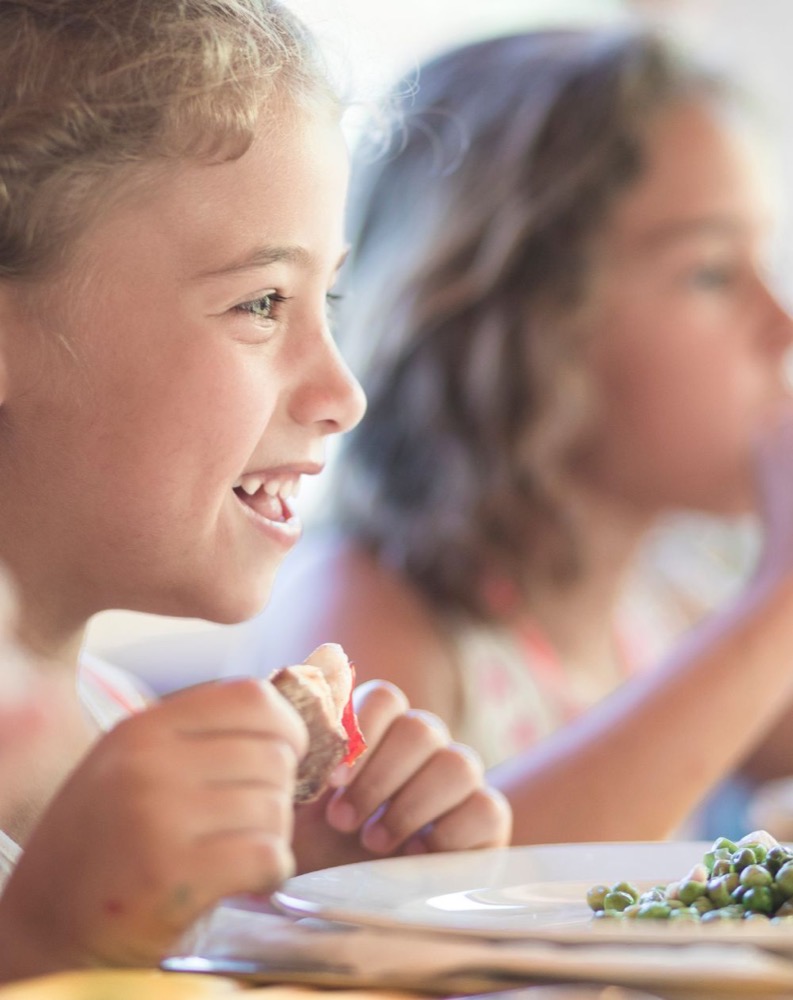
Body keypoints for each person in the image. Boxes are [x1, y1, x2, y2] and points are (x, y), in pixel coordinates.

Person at [0, 0, 511, 981]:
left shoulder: (121, 719)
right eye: (262, 302)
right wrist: (47, 946)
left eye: (333, 300)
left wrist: (298, 921)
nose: (342, 394)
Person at [231, 26, 793, 846]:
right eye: (710, 271)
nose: (780, 326)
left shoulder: (663, 614)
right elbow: (396, 907)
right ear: (528, 324)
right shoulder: (366, 605)